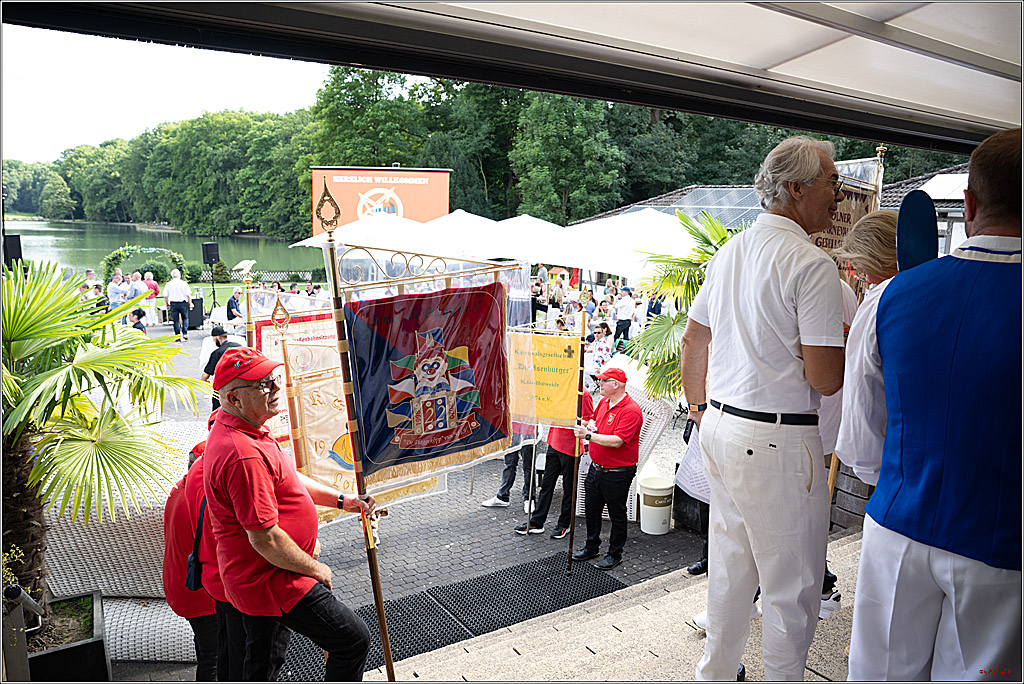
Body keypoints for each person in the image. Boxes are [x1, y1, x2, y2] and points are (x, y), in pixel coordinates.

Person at [839, 128, 1021, 681]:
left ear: (968, 204)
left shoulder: (890, 296)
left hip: (896, 525)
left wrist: (900, 479)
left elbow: (860, 439)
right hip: (1000, 543)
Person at [680, 135, 845, 680]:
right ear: (797, 190)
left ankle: (716, 675)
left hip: (722, 428)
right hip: (777, 441)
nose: (838, 197)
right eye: (831, 183)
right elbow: (825, 379)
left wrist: (700, 407)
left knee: (730, 571)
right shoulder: (813, 264)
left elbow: (693, 339)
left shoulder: (730, 251)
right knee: (790, 590)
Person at [204, 347, 375, 681]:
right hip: (272, 577)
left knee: (264, 660)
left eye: (274, 380)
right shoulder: (242, 454)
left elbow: (289, 479)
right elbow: (265, 538)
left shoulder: (248, 429)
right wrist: (314, 569)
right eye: (265, 385)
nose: (276, 388)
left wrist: (343, 500)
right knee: (351, 639)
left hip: (268, 574)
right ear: (235, 399)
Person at [571, 367, 643, 570]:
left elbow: (617, 441)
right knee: (591, 509)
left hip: (617, 472)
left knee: (616, 514)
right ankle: (591, 546)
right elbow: (594, 418)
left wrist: (588, 435)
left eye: (603, 381)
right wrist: (592, 426)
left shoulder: (631, 410)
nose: (599, 384)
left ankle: (615, 553)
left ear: (616, 384)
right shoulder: (604, 401)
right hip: (597, 468)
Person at [163, 438, 218, 680]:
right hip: (201, 595)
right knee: (213, 658)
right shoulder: (204, 502)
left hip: (181, 586)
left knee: (206, 648)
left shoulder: (179, 489)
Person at [515, 390, 594, 539]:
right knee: (546, 485)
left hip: (571, 448)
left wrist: (568, 422)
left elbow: (587, 420)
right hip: (554, 443)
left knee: (568, 489)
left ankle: (564, 524)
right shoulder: (560, 387)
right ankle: (537, 522)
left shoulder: (584, 393)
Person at [481, 423, 539, 512]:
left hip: (529, 430)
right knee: (510, 464)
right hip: (512, 429)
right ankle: (503, 496)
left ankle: (529, 498)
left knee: (528, 467)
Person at [201, 325, 242, 411]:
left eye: (213, 338)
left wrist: (204, 382)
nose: (213, 340)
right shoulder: (239, 347)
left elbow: (205, 375)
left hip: (223, 389)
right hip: (241, 386)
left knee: (217, 413)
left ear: (218, 337)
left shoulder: (217, 353)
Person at [164, 268, 193, 341]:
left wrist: (167, 303)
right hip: (183, 302)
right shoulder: (184, 283)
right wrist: (190, 303)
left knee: (175, 320)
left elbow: (165, 295)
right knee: (185, 318)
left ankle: (177, 336)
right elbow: (188, 295)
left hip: (173, 303)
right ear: (179, 275)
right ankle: (185, 333)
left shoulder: (169, 284)